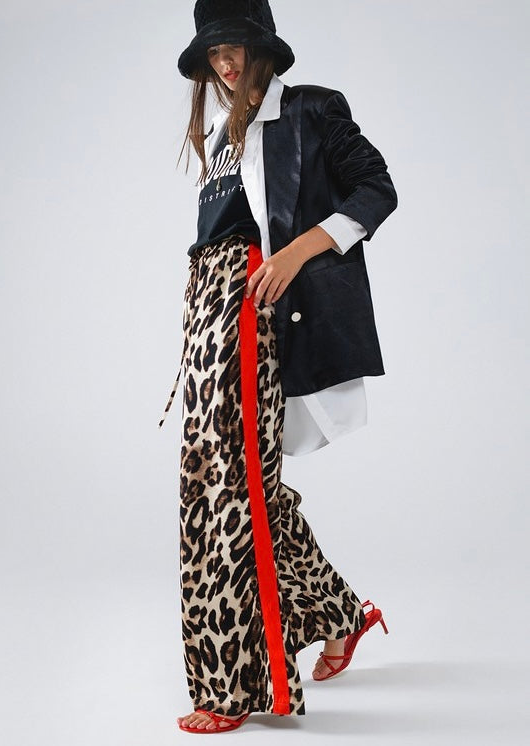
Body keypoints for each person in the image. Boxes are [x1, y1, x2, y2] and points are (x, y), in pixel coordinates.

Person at [158, 0, 397, 734]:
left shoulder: (311, 110)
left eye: (234, 47)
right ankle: (341, 614)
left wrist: (296, 252)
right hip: (209, 314)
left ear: (262, 47)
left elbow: (376, 189)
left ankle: (231, 684)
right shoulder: (221, 137)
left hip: (257, 312)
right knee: (226, 479)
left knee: (227, 490)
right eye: (213, 54)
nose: (224, 64)